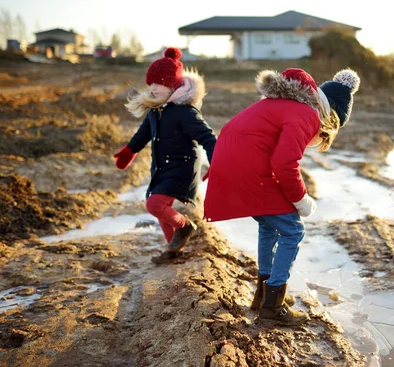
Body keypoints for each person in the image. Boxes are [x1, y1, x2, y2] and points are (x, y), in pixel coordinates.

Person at [203, 68, 360, 325]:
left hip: (230, 164)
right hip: (249, 169)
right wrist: (302, 200)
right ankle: (273, 308)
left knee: (269, 226)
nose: (320, 137)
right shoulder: (307, 114)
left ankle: (265, 293)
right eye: (326, 132)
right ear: (329, 115)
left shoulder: (278, 105)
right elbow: (285, 164)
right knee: (292, 230)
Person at [113, 47, 217, 263]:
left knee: (154, 205)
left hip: (183, 167)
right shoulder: (155, 110)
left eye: (159, 83)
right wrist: (128, 151)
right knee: (161, 208)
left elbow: (207, 137)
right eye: (151, 83)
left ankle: (186, 226)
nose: (153, 88)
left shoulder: (185, 111)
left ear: (172, 84)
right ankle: (173, 250)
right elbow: (143, 134)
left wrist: (216, 162)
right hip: (162, 166)